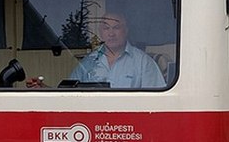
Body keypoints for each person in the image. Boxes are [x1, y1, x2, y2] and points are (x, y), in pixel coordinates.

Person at [27, 12, 165, 88]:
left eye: (116, 28)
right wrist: (44, 88)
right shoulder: (89, 62)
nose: (111, 33)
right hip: (94, 128)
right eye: (106, 28)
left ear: (126, 30)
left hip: (129, 130)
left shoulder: (143, 63)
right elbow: (69, 96)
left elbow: (159, 103)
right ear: (100, 32)